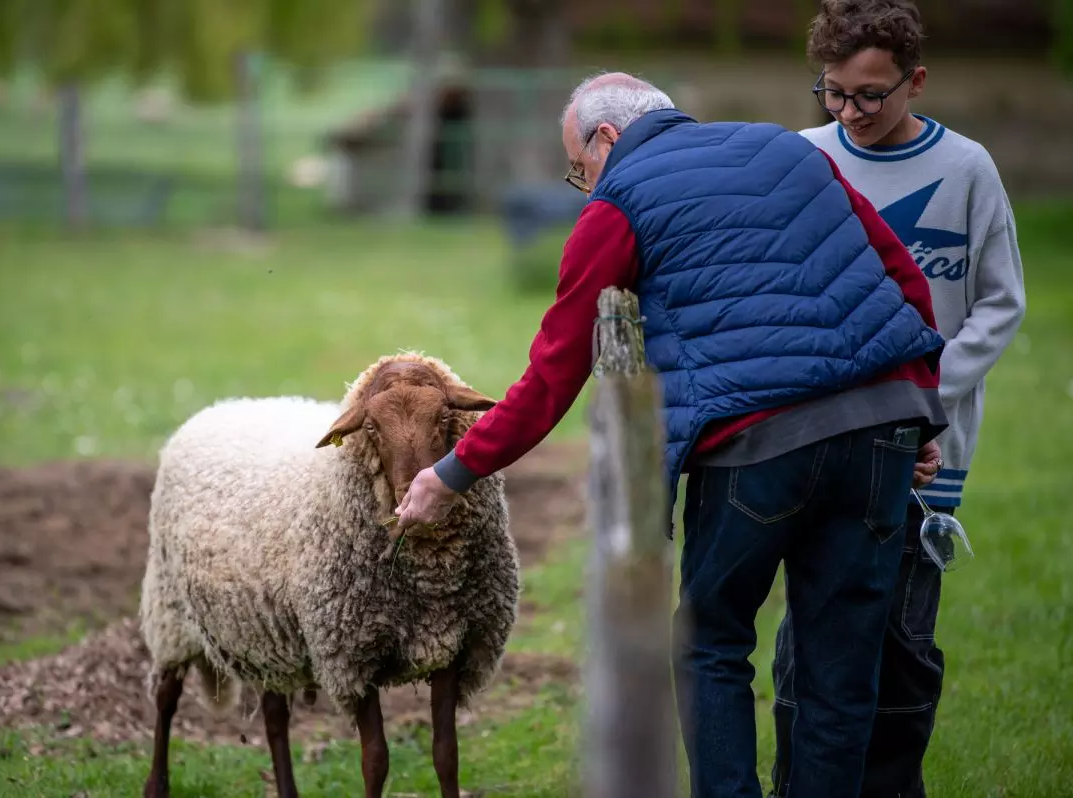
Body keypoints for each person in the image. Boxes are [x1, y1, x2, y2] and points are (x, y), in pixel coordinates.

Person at [393, 70, 948, 798]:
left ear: (608, 138)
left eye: (578, 167)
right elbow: (901, 278)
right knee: (842, 663)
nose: (584, 185)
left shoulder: (618, 203)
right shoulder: (790, 150)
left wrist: (452, 471)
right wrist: (918, 410)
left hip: (756, 446)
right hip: (877, 432)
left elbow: (557, 369)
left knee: (712, 644)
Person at [768, 2, 1028, 796]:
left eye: (870, 95)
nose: (850, 112)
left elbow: (1000, 304)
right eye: (834, 93)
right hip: (820, 443)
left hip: (925, 450)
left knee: (902, 637)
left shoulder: (968, 168)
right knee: (806, 634)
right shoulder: (803, 159)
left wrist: (919, 393)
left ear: (915, 80)